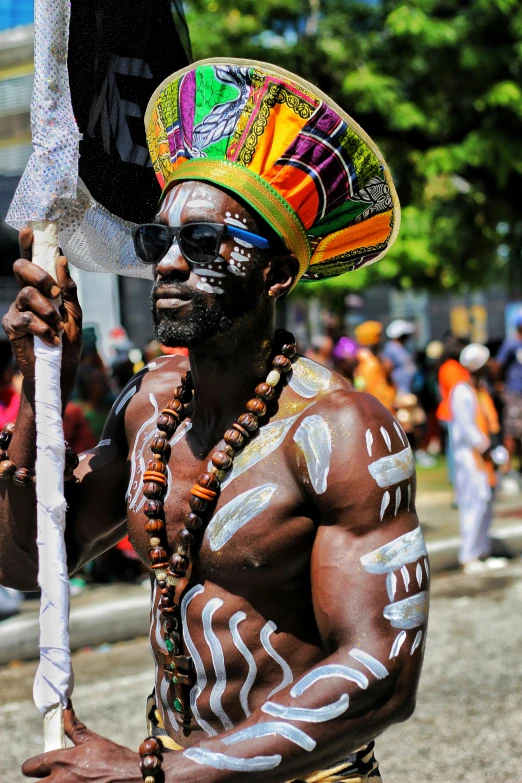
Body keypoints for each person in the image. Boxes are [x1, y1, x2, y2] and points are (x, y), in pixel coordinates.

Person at [1, 60, 427, 783]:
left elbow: (381, 671)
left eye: (202, 243)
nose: (168, 263)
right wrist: (45, 380)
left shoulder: (341, 431)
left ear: (276, 274)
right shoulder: (146, 405)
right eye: (159, 241)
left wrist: (151, 775)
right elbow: (25, 564)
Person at [450, 344, 507, 574]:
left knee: (485, 503)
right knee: (473, 504)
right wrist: (487, 450)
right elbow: (468, 430)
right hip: (470, 458)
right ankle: (469, 556)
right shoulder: (462, 392)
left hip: (484, 456)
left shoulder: (480, 389)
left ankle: (482, 552)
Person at [494, 314, 522, 472]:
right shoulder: (511, 343)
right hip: (514, 393)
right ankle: (507, 467)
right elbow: (498, 364)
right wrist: (499, 383)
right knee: (512, 430)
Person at [353, 320, 396, 412]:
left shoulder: (365, 361)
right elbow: (375, 392)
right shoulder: (370, 363)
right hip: (380, 411)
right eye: (378, 336)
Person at [382, 320, 417, 394]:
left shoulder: (405, 348)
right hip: (399, 390)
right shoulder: (390, 348)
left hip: (409, 387)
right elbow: (387, 368)